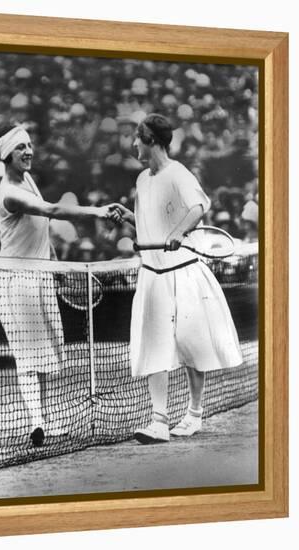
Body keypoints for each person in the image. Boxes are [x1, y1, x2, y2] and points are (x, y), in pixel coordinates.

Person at [0, 122, 122, 447]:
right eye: (21, 147)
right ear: (7, 154)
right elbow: (50, 209)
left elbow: (42, 224)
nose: (29, 152)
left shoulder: (28, 178)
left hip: (41, 276)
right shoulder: (9, 193)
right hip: (16, 282)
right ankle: (38, 421)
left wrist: (54, 262)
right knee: (27, 357)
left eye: (30, 145)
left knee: (46, 356)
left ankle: (45, 422)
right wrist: (98, 211)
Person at [116, 113, 242, 443]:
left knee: (192, 346)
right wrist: (130, 220)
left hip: (184, 273)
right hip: (153, 277)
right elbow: (148, 223)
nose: (133, 145)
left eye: (137, 139)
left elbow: (200, 205)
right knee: (153, 346)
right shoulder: (143, 180)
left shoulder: (178, 173)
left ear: (152, 142)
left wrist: (178, 232)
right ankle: (159, 421)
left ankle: (194, 414)